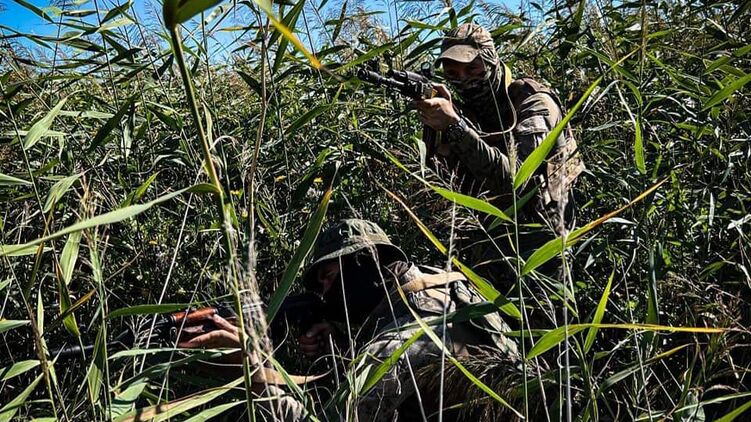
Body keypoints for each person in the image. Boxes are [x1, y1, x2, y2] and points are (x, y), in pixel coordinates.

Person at [181, 218, 524, 421]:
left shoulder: (398, 347)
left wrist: (253, 376)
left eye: (329, 277)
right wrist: (345, 344)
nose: (325, 294)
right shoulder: (443, 283)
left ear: (365, 262)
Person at [413, 23, 586, 288]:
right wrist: (437, 129)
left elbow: (519, 183)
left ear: (492, 60)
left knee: (542, 312)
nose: (464, 79)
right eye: (453, 73)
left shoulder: (533, 102)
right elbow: (441, 182)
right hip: (488, 242)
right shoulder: (466, 109)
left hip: (541, 242)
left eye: (472, 69)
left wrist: (455, 127)